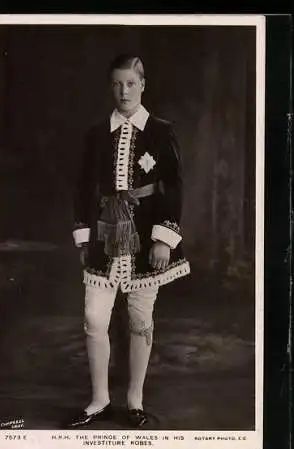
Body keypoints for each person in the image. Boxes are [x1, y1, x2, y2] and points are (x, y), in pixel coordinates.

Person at [71, 54, 190, 428]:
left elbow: (174, 186)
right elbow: (83, 188)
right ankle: (99, 399)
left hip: (145, 240)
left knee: (140, 319)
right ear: (111, 87)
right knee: (94, 317)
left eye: (131, 83)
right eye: (117, 84)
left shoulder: (160, 130)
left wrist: (164, 239)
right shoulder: (96, 134)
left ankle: (135, 400)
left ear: (143, 85)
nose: (124, 91)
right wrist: (82, 236)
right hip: (104, 237)